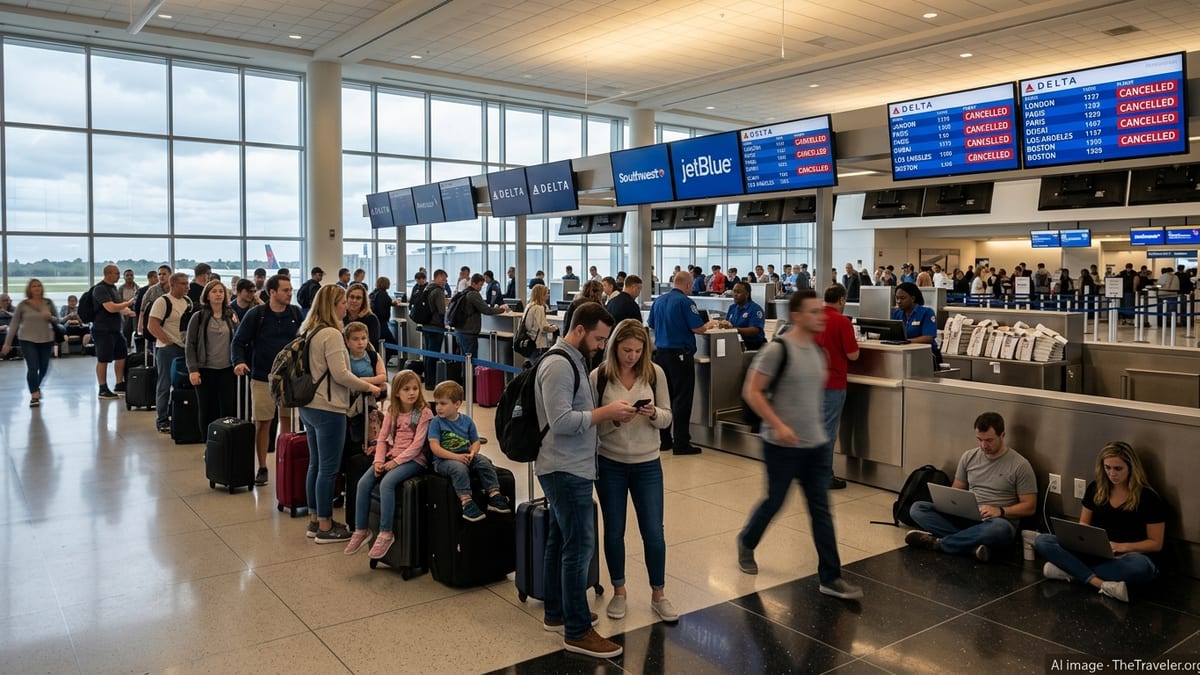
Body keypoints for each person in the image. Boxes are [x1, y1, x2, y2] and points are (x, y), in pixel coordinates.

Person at [737, 289, 864, 600]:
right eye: (813, 312)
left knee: (821, 509)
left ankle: (831, 577)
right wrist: (779, 425)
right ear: (796, 316)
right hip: (781, 444)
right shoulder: (778, 350)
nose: (820, 317)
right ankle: (747, 541)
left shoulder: (817, 353)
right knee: (775, 501)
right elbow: (751, 392)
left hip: (815, 445)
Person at [535, 301, 635, 658]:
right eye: (598, 338)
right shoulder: (560, 365)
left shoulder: (574, 360)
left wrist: (607, 418)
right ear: (579, 330)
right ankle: (577, 631)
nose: (600, 345)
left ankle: (557, 612)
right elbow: (562, 422)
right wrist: (604, 412)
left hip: (569, 465)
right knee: (579, 549)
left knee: (561, 541)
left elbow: (576, 415)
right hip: (564, 468)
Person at [591, 319, 677, 623]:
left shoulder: (655, 374)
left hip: (647, 463)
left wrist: (653, 414)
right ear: (614, 348)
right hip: (610, 463)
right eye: (626, 350)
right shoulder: (599, 376)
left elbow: (668, 417)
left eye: (638, 351)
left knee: (654, 531)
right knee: (614, 530)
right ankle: (619, 590)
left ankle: (659, 593)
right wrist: (614, 418)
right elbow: (591, 423)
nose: (632, 356)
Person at [1034, 442, 1166, 603]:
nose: (1112, 473)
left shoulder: (1148, 498)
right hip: (1096, 551)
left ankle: (1071, 571)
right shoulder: (1096, 488)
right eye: (1107, 467)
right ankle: (1100, 583)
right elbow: (1083, 526)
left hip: (1128, 556)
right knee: (1043, 540)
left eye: (1118, 468)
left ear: (1131, 467)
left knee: (1141, 569)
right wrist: (1080, 542)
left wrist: (1123, 546)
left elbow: (1156, 543)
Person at [299, 285, 381, 543]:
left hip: (309, 405)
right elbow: (341, 374)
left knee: (315, 464)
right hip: (329, 407)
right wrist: (370, 386)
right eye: (343, 302)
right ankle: (325, 525)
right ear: (332, 305)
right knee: (328, 469)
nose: (347, 306)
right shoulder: (332, 334)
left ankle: (314, 519)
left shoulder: (309, 330)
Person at [905, 412, 1038, 562]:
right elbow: (956, 491)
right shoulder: (969, 457)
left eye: (989, 440)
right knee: (918, 508)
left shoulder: (1020, 465)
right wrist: (949, 504)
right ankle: (970, 546)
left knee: (1000, 529)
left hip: (996, 522)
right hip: (968, 517)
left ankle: (941, 543)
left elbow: (1030, 506)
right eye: (979, 440)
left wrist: (1000, 511)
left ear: (1002, 435)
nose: (983, 445)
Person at [344, 369, 432, 557]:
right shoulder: (393, 410)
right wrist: (378, 461)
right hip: (392, 456)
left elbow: (417, 446)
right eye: (406, 389)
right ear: (397, 392)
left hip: (413, 460)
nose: (411, 392)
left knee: (387, 483)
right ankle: (361, 529)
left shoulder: (423, 413)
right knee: (363, 483)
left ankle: (386, 532)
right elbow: (382, 439)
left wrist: (396, 463)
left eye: (415, 388)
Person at [232, 274, 303, 485]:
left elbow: (303, 341)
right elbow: (238, 341)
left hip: (289, 378)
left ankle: (286, 460)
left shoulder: (295, 313)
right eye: (285, 290)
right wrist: (239, 362)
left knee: (288, 420)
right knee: (263, 422)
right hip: (263, 375)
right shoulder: (257, 314)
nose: (290, 294)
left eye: (290, 290)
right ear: (272, 292)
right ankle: (262, 466)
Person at [647, 271, 719, 456]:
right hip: (680, 356)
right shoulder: (686, 302)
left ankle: (664, 440)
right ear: (688, 284)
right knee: (682, 399)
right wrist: (710, 325)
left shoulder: (660, 301)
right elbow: (697, 328)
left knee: (664, 398)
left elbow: (652, 324)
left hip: (661, 355)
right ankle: (681, 442)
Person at [428, 380, 509, 522]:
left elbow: (475, 441)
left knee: (484, 462)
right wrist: (456, 457)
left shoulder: (467, 421)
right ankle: (466, 502)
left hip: (465, 455)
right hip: (444, 460)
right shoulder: (436, 422)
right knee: (459, 469)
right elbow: (435, 447)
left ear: (457, 404)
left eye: (443, 403)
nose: (438, 407)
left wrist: (473, 453)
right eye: (437, 403)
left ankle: (494, 494)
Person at [813, 285, 860, 491]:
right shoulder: (842, 322)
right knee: (827, 431)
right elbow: (853, 355)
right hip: (832, 382)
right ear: (842, 300)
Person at [185, 279, 238, 432]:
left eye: (221, 291)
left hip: (227, 369)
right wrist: (193, 369)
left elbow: (238, 339)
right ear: (207, 295)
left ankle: (226, 443)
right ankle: (209, 444)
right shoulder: (198, 317)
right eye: (214, 291)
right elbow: (190, 345)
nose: (218, 295)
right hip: (205, 369)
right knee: (207, 409)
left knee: (227, 408)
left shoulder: (231, 316)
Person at [1, 279, 58, 407]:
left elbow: (58, 320)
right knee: (33, 367)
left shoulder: (48, 303)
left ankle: (35, 386)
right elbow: (14, 323)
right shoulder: (23, 304)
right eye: (34, 286)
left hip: (46, 339)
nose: (37, 288)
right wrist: (7, 343)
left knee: (44, 368)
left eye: (39, 286)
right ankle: (34, 395)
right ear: (29, 289)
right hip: (27, 339)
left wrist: (51, 317)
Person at [147, 273, 192, 429]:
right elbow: (152, 325)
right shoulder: (163, 301)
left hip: (184, 348)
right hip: (167, 349)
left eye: (187, 283)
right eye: (182, 283)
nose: (187, 286)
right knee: (164, 383)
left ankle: (181, 414)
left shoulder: (187, 302)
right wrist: (167, 341)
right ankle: (162, 419)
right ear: (173, 285)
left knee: (182, 383)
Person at [93, 264, 136, 399]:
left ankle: (119, 383)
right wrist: (128, 303)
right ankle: (102, 387)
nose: (119, 275)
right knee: (103, 359)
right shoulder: (100, 289)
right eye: (117, 273)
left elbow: (117, 308)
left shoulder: (113, 289)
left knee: (121, 355)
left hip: (116, 330)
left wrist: (127, 312)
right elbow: (111, 308)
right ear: (108, 274)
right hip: (103, 330)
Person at [450, 273, 507, 359]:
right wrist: (502, 310)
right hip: (468, 332)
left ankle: (465, 373)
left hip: (460, 331)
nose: (481, 288)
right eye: (480, 285)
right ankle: (470, 373)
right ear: (473, 283)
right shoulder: (473, 294)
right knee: (471, 361)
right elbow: (486, 310)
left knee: (464, 360)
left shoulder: (464, 292)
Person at [892, 282, 940, 365]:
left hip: (925, 356)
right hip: (903, 355)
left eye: (902, 298)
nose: (899, 301)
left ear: (913, 298)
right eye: (897, 298)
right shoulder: (897, 314)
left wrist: (905, 342)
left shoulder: (927, 312)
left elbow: (928, 338)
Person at [419, 270, 449, 388]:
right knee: (433, 354)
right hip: (436, 326)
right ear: (439, 277)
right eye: (444, 279)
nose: (445, 282)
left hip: (426, 324)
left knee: (427, 354)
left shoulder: (428, 288)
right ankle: (431, 382)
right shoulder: (438, 291)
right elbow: (441, 311)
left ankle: (428, 380)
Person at [720, 282, 765, 350]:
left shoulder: (755, 309)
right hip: (734, 343)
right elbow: (727, 324)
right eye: (734, 291)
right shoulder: (732, 307)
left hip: (752, 345)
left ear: (747, 294)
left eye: (738, 292)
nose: (735, 294)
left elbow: (755, 330)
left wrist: (735, 330)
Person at [520, 284, 558, 359]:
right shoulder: (539, 308)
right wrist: (553, 328)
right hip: (538, 344)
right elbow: (544, 328)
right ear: (541, 295)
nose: (548, 295)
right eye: (546, 293)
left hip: (529, 341)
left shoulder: (529, 306)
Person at [344, 282, 380, 346]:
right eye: (352, 297)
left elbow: (372, 343)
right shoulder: (341, 317)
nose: (354, 300)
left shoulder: (371, 319)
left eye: (358, 298)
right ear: (346, 298)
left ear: (363, 301)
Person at [119, 268, 139, 347]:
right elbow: (118, 301)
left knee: (135, 329)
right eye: (127, 275)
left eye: (131, 275)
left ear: (134, 277)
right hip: (124, 311)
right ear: (124, 277)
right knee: (126, 329)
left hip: (134, 311)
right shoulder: (121, 289)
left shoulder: (137, 288)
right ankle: (126, 346)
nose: (129, 277)